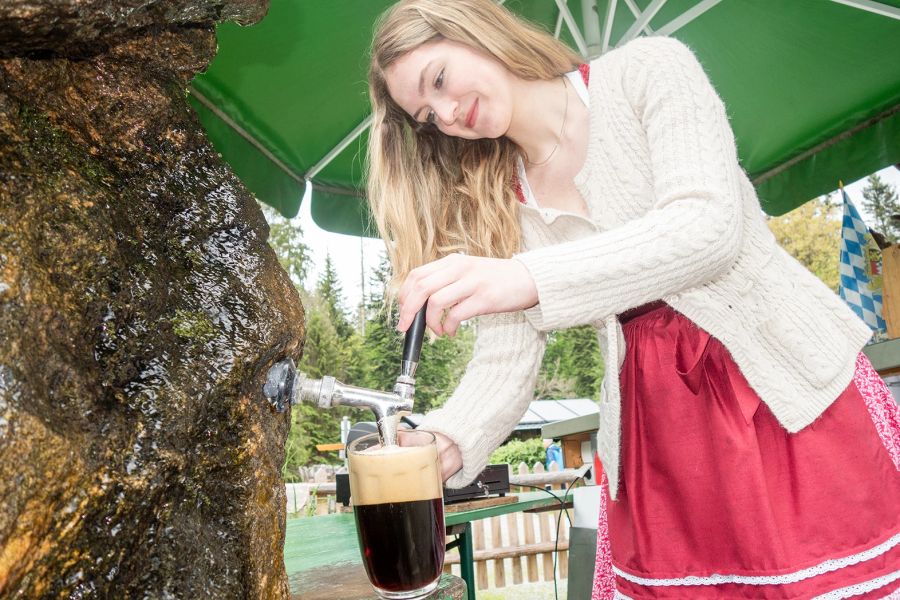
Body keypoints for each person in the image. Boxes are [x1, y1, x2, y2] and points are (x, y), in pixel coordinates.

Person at [366, 1, 900, 598]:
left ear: (476, 31)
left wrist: (529, 278)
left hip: (784, 391)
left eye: (437, 80)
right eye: (426, 116)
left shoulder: (649, 70)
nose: (444, 112)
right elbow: (507, 356)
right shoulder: (497, 199)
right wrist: (447, 440)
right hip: (658, 435)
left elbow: (708, 228)